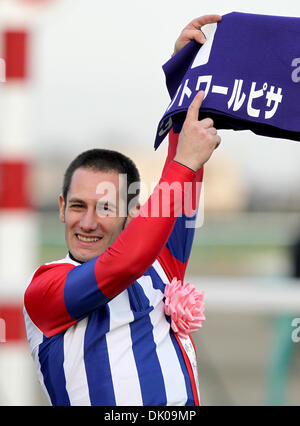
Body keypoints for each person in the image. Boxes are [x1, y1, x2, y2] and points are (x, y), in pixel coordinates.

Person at [23, 15, 222, 406]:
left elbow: (184, 183)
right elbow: (121, 265)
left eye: (106, 208)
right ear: (61, 207)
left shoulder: (160, 264)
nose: (88, 221)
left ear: (132, 211)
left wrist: (184, 78)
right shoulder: (45, 287)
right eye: (78, 206)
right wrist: (181, 164)